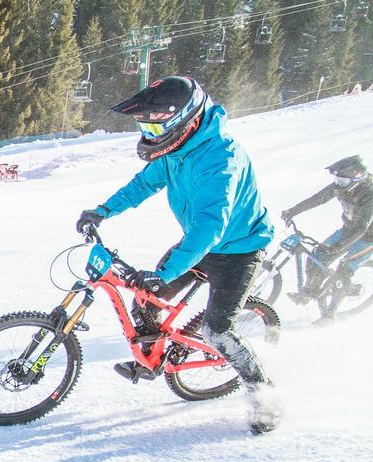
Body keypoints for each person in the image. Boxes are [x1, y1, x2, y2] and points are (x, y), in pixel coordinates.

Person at [75, 76, 282, 434]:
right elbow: (144, 184)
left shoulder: (221, 156)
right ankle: (153, 359)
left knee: (217, 332)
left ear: (183, 121)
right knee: (145, 300)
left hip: (239, 249)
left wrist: (167, 272)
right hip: (198, 244)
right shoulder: (174, 150)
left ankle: (265, 398)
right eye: (145, 125)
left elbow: (210, 226)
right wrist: (102, 211)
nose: (150, 132)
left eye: (156, 124)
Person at [280, 155, 373, 324]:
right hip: (348, 229)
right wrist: (292, 211)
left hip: (368, 238)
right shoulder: (342, 186)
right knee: (317, 256)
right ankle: (309, 292)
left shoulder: (370, 194)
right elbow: (318, 198)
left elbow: (361, 228)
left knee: (343, 270)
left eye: (343, 180)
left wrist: (338, 246)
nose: (338, 183)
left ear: (358, 178)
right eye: (337, 178)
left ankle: (329, 316)